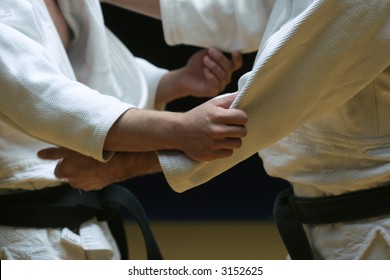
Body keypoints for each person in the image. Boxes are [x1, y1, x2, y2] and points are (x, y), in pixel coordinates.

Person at [44, 0, 390, 260]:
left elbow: (281, 96)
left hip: (372, 228)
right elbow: (249, 9)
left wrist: (132, 160)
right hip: (332, 226)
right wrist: (170, 86)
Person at [0, 0, 248, 260]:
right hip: (21, 232)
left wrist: (171, 82)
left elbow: (81, 73)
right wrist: (180, 129)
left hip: (86, 225)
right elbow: (40, 95)